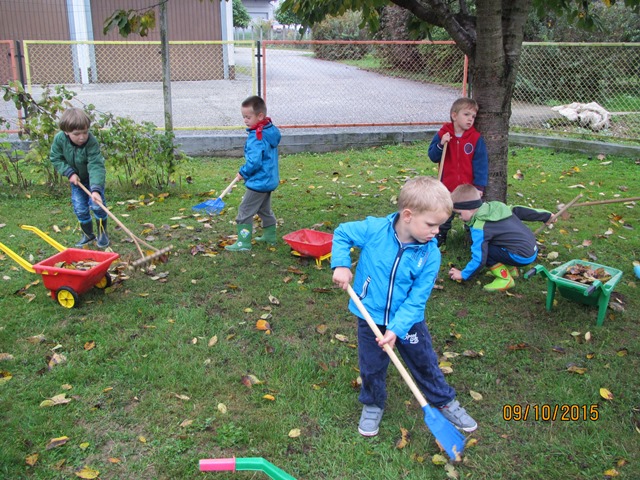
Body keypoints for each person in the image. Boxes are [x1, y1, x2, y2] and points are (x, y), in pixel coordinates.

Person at [331, 176, 477, 437]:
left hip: (407, 320)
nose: (436, 232)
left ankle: (444, 400)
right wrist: (341, 264)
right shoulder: (375, 230)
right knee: (372, 365)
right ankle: (373, 403)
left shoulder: (430, 253)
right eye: (431, 225)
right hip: (370, 315)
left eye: (440, 226)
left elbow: (417, 299)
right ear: (408, 215)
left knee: (424, 362)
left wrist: (397, 328)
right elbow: (342, 233)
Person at [448, 184, 553, 291]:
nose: (460, 217)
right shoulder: (495, 207)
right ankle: (511, 270)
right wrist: (546, 216)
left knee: (486, 250)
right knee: (496, 243)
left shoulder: (480, 227)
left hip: (521, 256)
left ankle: (505, 279)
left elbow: (479, 259)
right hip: (531, 249)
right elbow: (519, 210)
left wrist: (463, 274)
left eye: (459, 213)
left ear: (469, 209)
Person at [428, 97, 489, 246]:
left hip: (467, 187)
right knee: (445, 213)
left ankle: (472, 237)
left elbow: (481, 163)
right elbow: (433, 156)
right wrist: (441, 144)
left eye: (473, 116)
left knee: (470, 212)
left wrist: (479, 186)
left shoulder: (475, 138)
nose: (470, 119)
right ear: (454, 115)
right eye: (466, 114)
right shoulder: (443, 133)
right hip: (447, 185)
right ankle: (440, 235)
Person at [225, 96, 281, 252]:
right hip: (269, 180)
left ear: (260, 116)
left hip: (259, 182)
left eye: (248, 117)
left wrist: (243, 172)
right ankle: (270, 237)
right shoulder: (270, 131)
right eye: (243, 117)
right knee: (264, 209)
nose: (245, 120)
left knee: (244, 211)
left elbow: (254, 163)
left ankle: (243, 243)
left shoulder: (257, 137)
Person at [49, 107, 109, 248]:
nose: (82, 137)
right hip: (76, 181)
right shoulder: (60, 140)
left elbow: (96, 165)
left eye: (85, 132)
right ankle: (88, 235)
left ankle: (102, 234)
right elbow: (55, 158)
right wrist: (69, 172)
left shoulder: (91, 142)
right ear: (66, 132)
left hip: (93, 179)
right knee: (80, 207)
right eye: (77, 134)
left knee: (98, 206)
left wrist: (95, 190)